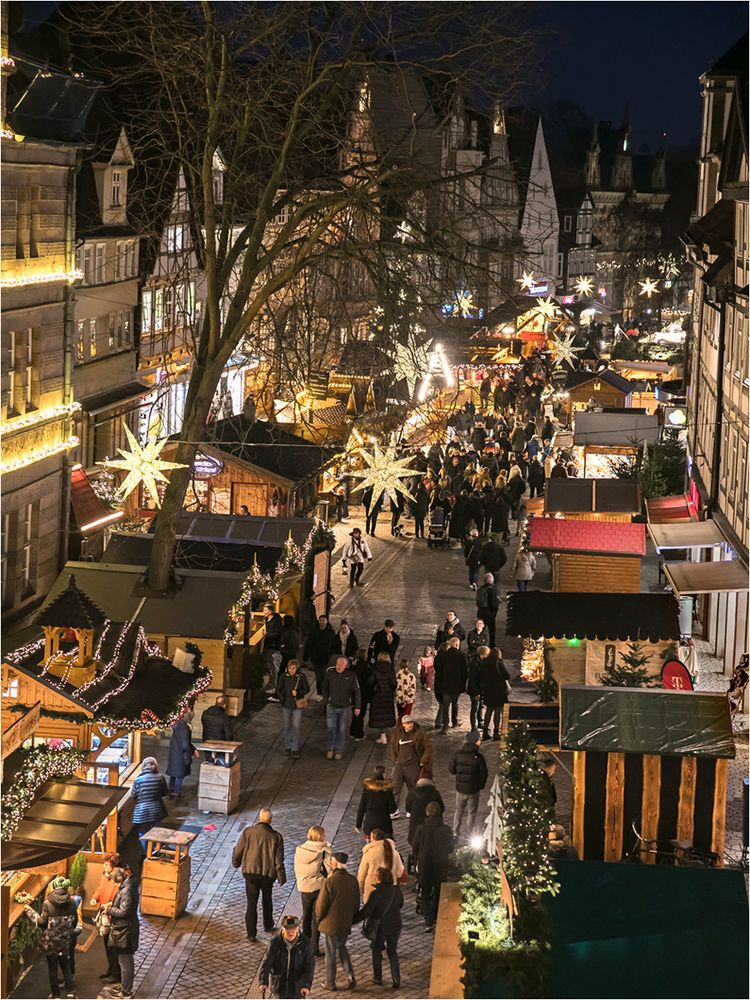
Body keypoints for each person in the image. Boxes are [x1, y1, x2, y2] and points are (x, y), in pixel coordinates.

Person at [231, 808, 286, 942]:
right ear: (270, 820)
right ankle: (268, 925)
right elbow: (279, 860)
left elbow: (238, 850)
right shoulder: (276, 837)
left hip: (250, 874)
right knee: (267, 900)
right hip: (267, 876)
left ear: (259, 818)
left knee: (251, 903)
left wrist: (236, 863)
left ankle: (251, 933)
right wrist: (281, 877)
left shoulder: (248, 832)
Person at [25, 875, 79, 1000]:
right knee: (65, 964)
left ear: (53, 888)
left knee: (52, 968)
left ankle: (56, 995)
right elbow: (74, 922)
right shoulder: (71, 902)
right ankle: (71, 992)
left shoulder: (47, 904)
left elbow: (42, 923)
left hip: (51, 942)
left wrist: (29, 911)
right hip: (65, 940)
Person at [316, 852, 360, 992]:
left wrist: (319, 918)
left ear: (335, 864)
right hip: (345, 922)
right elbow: (356, 904)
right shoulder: (353, 880)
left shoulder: (330, 881)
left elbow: (322, 904)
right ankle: (350, 976)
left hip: (331, 924)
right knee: (342, 947)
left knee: (330, 953)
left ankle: (330, 982)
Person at [355, 867, 403, 988]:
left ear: (380, 878)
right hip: (396, 925)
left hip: (381, 927)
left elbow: (366, 911)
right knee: (392, 952)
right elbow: (400, 904)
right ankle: (396, 978)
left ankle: (378, 977)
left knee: (376, 950)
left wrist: (352, 920)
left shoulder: (376, 894)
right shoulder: (396, 891)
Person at [412, 802, 454, 932]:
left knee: (424, 892)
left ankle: (428, 919)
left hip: (425, 865)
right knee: (439, 890)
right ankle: (435, 915)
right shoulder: (446, 829)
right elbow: (450, 848)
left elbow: (415, 847)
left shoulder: (421, 829)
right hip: (440, 865)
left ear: (426, 813)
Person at [294, 826, 332, 957]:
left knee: (306, 915)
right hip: (318, 888)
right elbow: (329, 870)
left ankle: (304, 945)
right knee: (316, 918)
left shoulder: (300, 850)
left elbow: (297, 868)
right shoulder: (323, 850)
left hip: (304, 887)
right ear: (320, 836)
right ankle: (314, 947)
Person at [104, 864, 140, 999]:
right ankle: (126, 986)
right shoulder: (130, 886)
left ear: (119, 878)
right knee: (128, 960)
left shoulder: (126, 890)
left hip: (124, 930)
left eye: (114, 881)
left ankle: (125, 991)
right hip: (128, 927)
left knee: (124, 962)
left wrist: (109, 910)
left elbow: (124, 911)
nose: (114, 884)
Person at [259, 915, 314, 999]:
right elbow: (267, 962)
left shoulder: (305, 944)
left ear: (298, 929)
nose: (290, 933)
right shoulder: (275, 943)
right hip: (279, 986)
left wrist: (306, 985)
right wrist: (263, 981)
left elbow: (309, 966)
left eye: (293, 930)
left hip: (296, 987)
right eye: (287, 930)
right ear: (283, 929)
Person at [449, 731, 488, 842]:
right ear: (475, 741)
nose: (480, 741)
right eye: (479, 739)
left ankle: (455, 832)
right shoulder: (479, 758)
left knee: (459, 810)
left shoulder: (457, 754)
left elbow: (451, 769)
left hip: (460, 789)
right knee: (471, 812)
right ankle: (469, 834)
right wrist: (480, 786)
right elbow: (484, 774)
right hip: (473, 790)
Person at [389, 714, 431, 817]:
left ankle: (412, 809)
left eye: (411, 722)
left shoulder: (420, 733)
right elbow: (393, 745)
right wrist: (394, 758)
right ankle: (394, 810)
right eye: (407, 723)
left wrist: (422, 761)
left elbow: (428, 748)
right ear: (403, 725)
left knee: (413, 788)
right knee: (395, 788)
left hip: (412, 765)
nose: (410, 725)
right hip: (399, 765)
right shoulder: (397, 732)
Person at [91, 853, 122, 987]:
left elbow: (117, 899)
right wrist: (95, 898)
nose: (103, 866)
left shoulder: (117, 880)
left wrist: (109, 906)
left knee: (113, 947)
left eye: (106, 864)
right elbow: (100, 889)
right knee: (106, 945)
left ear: (113, 866)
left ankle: (116, 973)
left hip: (112, 918)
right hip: (104, 916)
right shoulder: (104, 876)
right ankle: (111, 968)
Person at [323, 655, 362, 759]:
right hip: (331, 706)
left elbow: (357, 691)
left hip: (345, 707)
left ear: (345, 665)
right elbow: (325, 687)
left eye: (340, 665)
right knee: (331, 728)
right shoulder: (330, 674)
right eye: (337, 664)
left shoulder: (351, 675)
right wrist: (326, 700)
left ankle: (339, 750)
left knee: (342, 729)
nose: (338, 667)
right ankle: (331, 748)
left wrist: (358, 706)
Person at [129, 756, 168, 852]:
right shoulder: (160, 778)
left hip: (142, 812)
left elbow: (133, 795)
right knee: (156, 831)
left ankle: (145, 854)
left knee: (143, 833)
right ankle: (156, 851)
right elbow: (164, 793)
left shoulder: (138, 780)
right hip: (157, 810)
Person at [357, 829, 405, 902]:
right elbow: (399, 872)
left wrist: (359, 889)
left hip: (372, 887)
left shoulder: (368, 854)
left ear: (373, 839)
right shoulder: (393, 852)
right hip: (389, 886)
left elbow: (361, 874)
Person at [276, 659, 310, 758]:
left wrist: (298, 693)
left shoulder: (301, 677)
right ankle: (287, 747)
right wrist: (283, 699)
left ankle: (294, 748)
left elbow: (307, 688)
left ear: (297, 669)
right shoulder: (283, 677)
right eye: (290, 668)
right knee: (287, 726)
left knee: (295, 726)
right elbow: (278, 689)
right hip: (286, 705)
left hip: (296, 705)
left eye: (293, 668)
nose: (291, 670)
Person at [434, 637, 467, 733]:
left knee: (445, 705)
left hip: (445, 684)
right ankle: (454, 721)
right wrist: (463, 684)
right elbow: (464, 671)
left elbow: (439, 670)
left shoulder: (444, 655)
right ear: (457, 645)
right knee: (455, 703)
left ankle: (445, 725)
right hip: (457, 684)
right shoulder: (462, 655)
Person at [405, 767, 444, 850]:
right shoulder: (435, 794)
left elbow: (407, 808)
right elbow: (442, 809)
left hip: (415, 828)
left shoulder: (412, 793)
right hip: (434, 829)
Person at [356, 765, 397, 839]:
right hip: (384, 823)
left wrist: (358, 825)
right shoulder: (387, 791)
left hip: (370, 823)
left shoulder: (367, 790)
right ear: (383, 774)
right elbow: (392, 809)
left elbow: (361, 808)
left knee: (370, 845)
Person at [303, 613, 336, 700]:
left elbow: (334, 645)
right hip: (316, 658)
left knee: (325, 676)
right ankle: (319, 693)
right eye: (320, 621)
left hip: (326, 658)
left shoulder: (330, 632)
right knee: (318, 677)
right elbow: (309, 644)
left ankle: (325, 693)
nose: (322, 622)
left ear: (326, 622)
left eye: (323, 621)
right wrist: (306, 657)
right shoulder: (314, 632)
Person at [480, 648, 511, 741]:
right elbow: (507, 675)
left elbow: (480, 675)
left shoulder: (484, 662)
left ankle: (485, 731)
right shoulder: (499, 663)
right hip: (498, 690)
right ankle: (496, 732)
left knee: (488, 710)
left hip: (488, 689)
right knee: (497, 711)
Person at [166, 716, 198, 798]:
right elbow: (185, 744)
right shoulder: (185, 728)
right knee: (179, 775)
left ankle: (171, 792)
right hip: (181, 754)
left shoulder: (177, 725)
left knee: (173, 774)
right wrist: (190, 752)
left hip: (174, 752)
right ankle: (177, 794)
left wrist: (193, 749)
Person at [368, 651, 396, 745]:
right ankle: (383, 734)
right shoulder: (390, 668)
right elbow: (393, 683)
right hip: (387, 694)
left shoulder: (375, 668)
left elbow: (370, 681)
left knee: (379, 714)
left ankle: (382, 734)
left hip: (377, 694)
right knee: (385, 713)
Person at [200, 695, 233, 763]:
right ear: (225, 705)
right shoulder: (224, 718)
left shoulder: (205, 713)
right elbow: (228, 735)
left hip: (206, 743)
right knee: (219, 764)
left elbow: (204, 724)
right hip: (220, 746)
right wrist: (229, 745)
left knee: (209, 762)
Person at [349, 648, 371, 741]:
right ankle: (358, 734)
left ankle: (352, 732)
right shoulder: (366, 667)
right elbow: (368, 682)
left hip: (352, 693)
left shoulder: (352, 666)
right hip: (362, 693)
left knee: (354, 713)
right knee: (360, 714)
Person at [262, 603, 284, 689]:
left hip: (275, 646)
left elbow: (279, 633)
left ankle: (276, 685)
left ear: (270, 611)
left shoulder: (277, 620)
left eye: (265, 610)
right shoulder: (266, 619)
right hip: (268, 645)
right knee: (270, 665)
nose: (263, 612)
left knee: (275, 665)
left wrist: (268, 634)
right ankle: (272, 682)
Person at [476, 572, 501, 647]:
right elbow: (493, 603)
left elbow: (478, 602)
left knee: (481, 629)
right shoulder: (493, 589)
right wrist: (495, 610)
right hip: (489, 613)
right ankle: (492, 645)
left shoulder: (481, 589)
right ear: (492, 580)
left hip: (481, 612)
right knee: (491, 630)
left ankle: (479, 643)